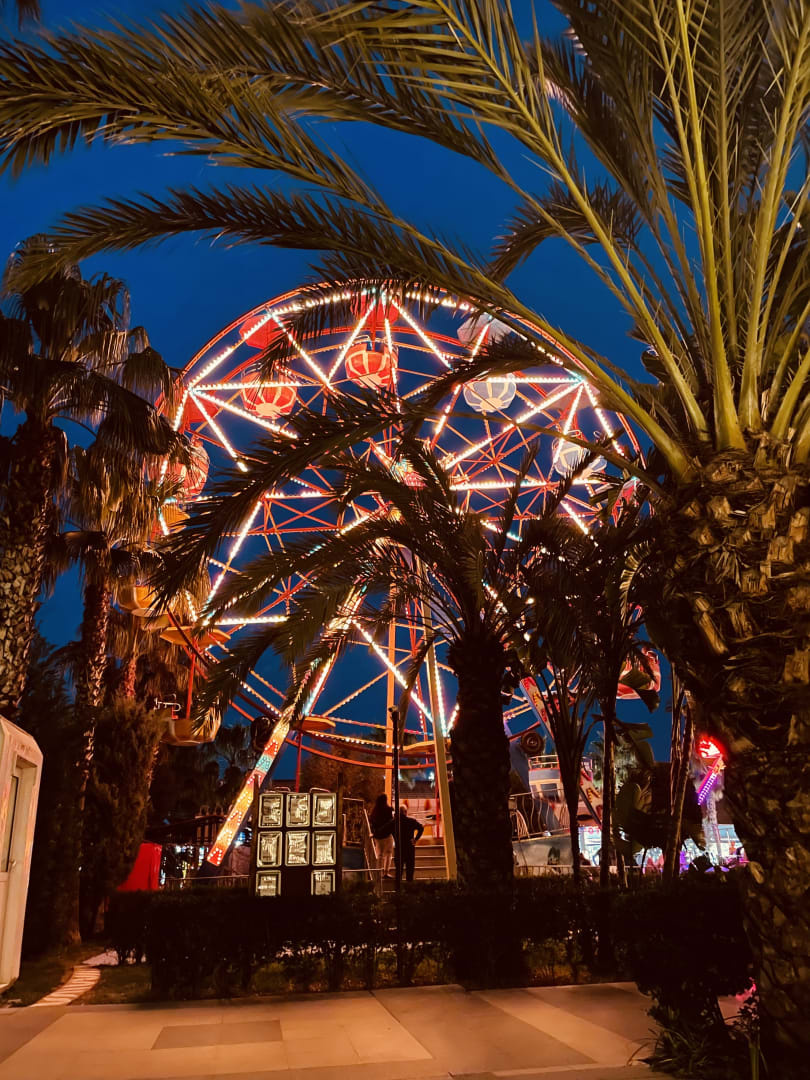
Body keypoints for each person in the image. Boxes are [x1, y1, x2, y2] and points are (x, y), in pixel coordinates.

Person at [395, 805, 425, 882]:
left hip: (399, 848)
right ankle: (409, 886)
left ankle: (398, 887)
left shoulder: (395, 822)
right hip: (409, 848)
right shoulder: (411, 821)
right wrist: (415, 839)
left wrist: (375, 834)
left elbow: (385, 829)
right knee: (410, 869)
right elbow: (421, 828)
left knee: (399, 870)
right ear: (405, 812)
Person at [369, 793, 395, 878]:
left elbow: (371, 821)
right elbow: (391, 822)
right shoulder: (388, 809)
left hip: (377, 836)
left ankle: (378, 872)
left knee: (379, 855)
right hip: (387, 835)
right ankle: (385, 872)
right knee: (388, 853)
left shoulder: (375, 811)